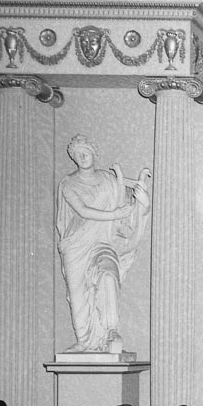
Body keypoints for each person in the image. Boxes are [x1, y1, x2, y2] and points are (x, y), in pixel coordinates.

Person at [55, 134, 151, 353]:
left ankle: (110, 331)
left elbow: (127, 210)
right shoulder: (68, 183)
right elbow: (82, 211)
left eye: (85, 152)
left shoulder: (109, 180)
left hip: (103, 242)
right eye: (77, 154)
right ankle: (83, 341)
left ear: (94, 154)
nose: (82, 157)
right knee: (77, 293)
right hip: (77, 244)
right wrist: (114, 213)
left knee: (108, 275)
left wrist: (143, 204)